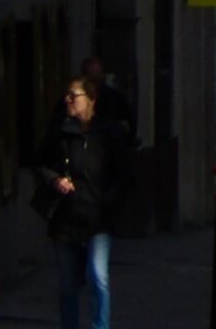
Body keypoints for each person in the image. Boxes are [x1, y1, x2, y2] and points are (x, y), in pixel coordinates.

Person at [36, 75, 132, 329]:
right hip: (66, 219)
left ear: (91, 100)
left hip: (97, 219)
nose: (67, 100)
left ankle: (100, 326)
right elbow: (41, 164)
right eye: (67, 95)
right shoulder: (61, 133)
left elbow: (123, 174)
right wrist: (55, 179)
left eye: (73, 95)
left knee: (98, 278)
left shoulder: (107, 135)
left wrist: (108, 199)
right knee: (68, 285)